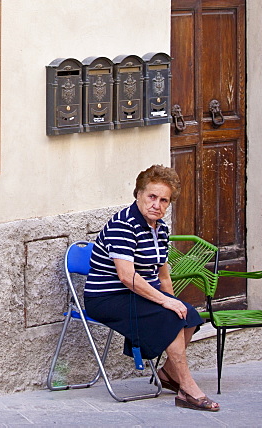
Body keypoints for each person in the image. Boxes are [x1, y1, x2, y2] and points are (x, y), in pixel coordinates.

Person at [83, 164, 219, 412]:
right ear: (139, 195)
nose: (157, 204)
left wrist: (174, 301)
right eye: (152, 197)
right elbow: (126, 276)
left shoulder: (161, 229)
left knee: (188, 315)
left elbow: (163, 275)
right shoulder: (124, 225)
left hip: (138, 294)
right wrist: (165, 303)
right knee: (169, 316)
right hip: (107, 297)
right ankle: (188, 388)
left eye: (164, 200)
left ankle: (167, 373)